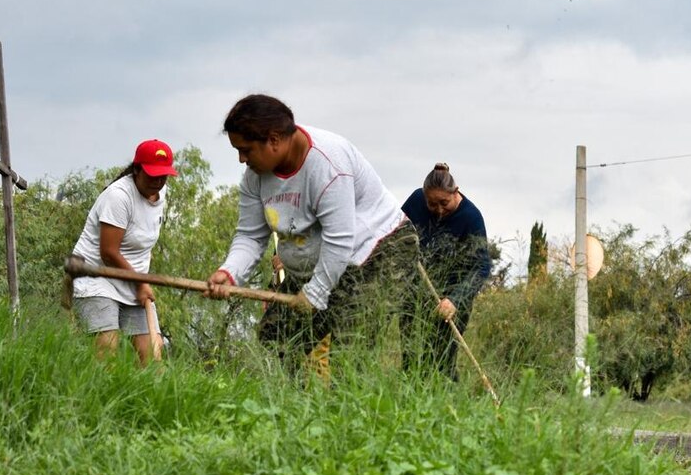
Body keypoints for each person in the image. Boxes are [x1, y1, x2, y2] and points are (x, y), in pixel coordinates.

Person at [204, 94, 419, 375]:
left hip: (376, 252)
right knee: (276, 341)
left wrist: (316, 293)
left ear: (274, 139)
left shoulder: (328, 164)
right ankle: (290, 414)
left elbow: (340, 239)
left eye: (246, 149)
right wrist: (229, 273)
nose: (241, 159)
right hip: (320, 260)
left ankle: (347, 416)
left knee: (349, 355)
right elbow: (250, 235)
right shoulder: (254, 177)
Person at [70, 139, 179, 366]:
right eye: (152, 175)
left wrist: (139, 282)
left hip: (132, 279)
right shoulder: (118, 197)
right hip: (97, 276)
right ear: (136, 169)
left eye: (163, 176)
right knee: (106, 351)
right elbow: (108, 252)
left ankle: (150, 401)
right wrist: (140, 282)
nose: (158, 181)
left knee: (152, 358)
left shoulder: (159, 192)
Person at [401, 163, 491, 380]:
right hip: (415, 293)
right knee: (411, 359)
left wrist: (455, 300)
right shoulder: (415, 201)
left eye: (444, 203)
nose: (439, 210)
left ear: (456, 192)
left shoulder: (471, 217)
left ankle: (450, 407)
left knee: (441, 362)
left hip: (451, 299)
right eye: (432, 204)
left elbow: (481, 266)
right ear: (424, 197)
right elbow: (397, 231)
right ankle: (409, 407)